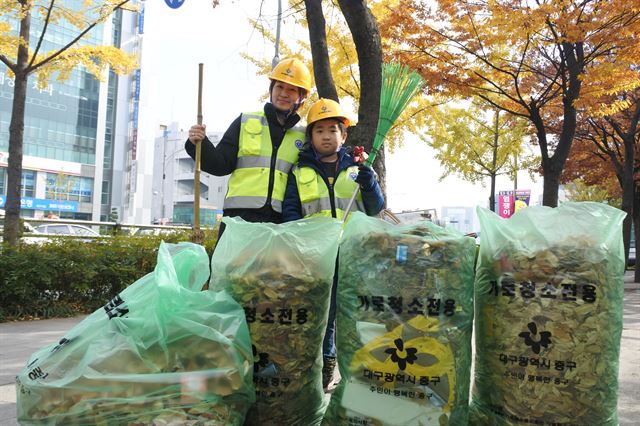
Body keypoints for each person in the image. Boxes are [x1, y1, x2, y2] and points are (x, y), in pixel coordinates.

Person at [282, 98, 384, 389]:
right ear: (310, 137)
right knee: (323, 315)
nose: (327, 136)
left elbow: (376, 206)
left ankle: (357, 372)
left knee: (352, 313)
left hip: (353, 256)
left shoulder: (359, 170)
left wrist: (370, 184)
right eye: (319, 130)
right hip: (317, 258)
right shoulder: (300, 173)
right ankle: (326, 365)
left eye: (333, 130)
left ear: (344, 135)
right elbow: (291, 212)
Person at [185, 58, 312, 235]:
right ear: (271, 90)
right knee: (229, 264)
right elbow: (220, 164)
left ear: (301, 98)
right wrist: (199, 143)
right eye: (279, 87)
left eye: (291, 89)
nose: (283, 93)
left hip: (278, 222)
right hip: (238, 219)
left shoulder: (303, 135)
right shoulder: (245, 121)